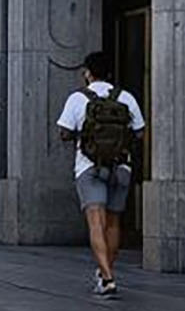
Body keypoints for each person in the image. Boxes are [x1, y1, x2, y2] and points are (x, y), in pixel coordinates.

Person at [56, 51, 145, 298]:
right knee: (114, 222)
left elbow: (63, 131)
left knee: (96, 223)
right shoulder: (125, 97)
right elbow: (139, 132)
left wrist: (83, 137)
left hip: (89, 167)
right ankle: (105, 271)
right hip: (121, 167)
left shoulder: (77, 98)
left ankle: (107, 277)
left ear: (88, 73)